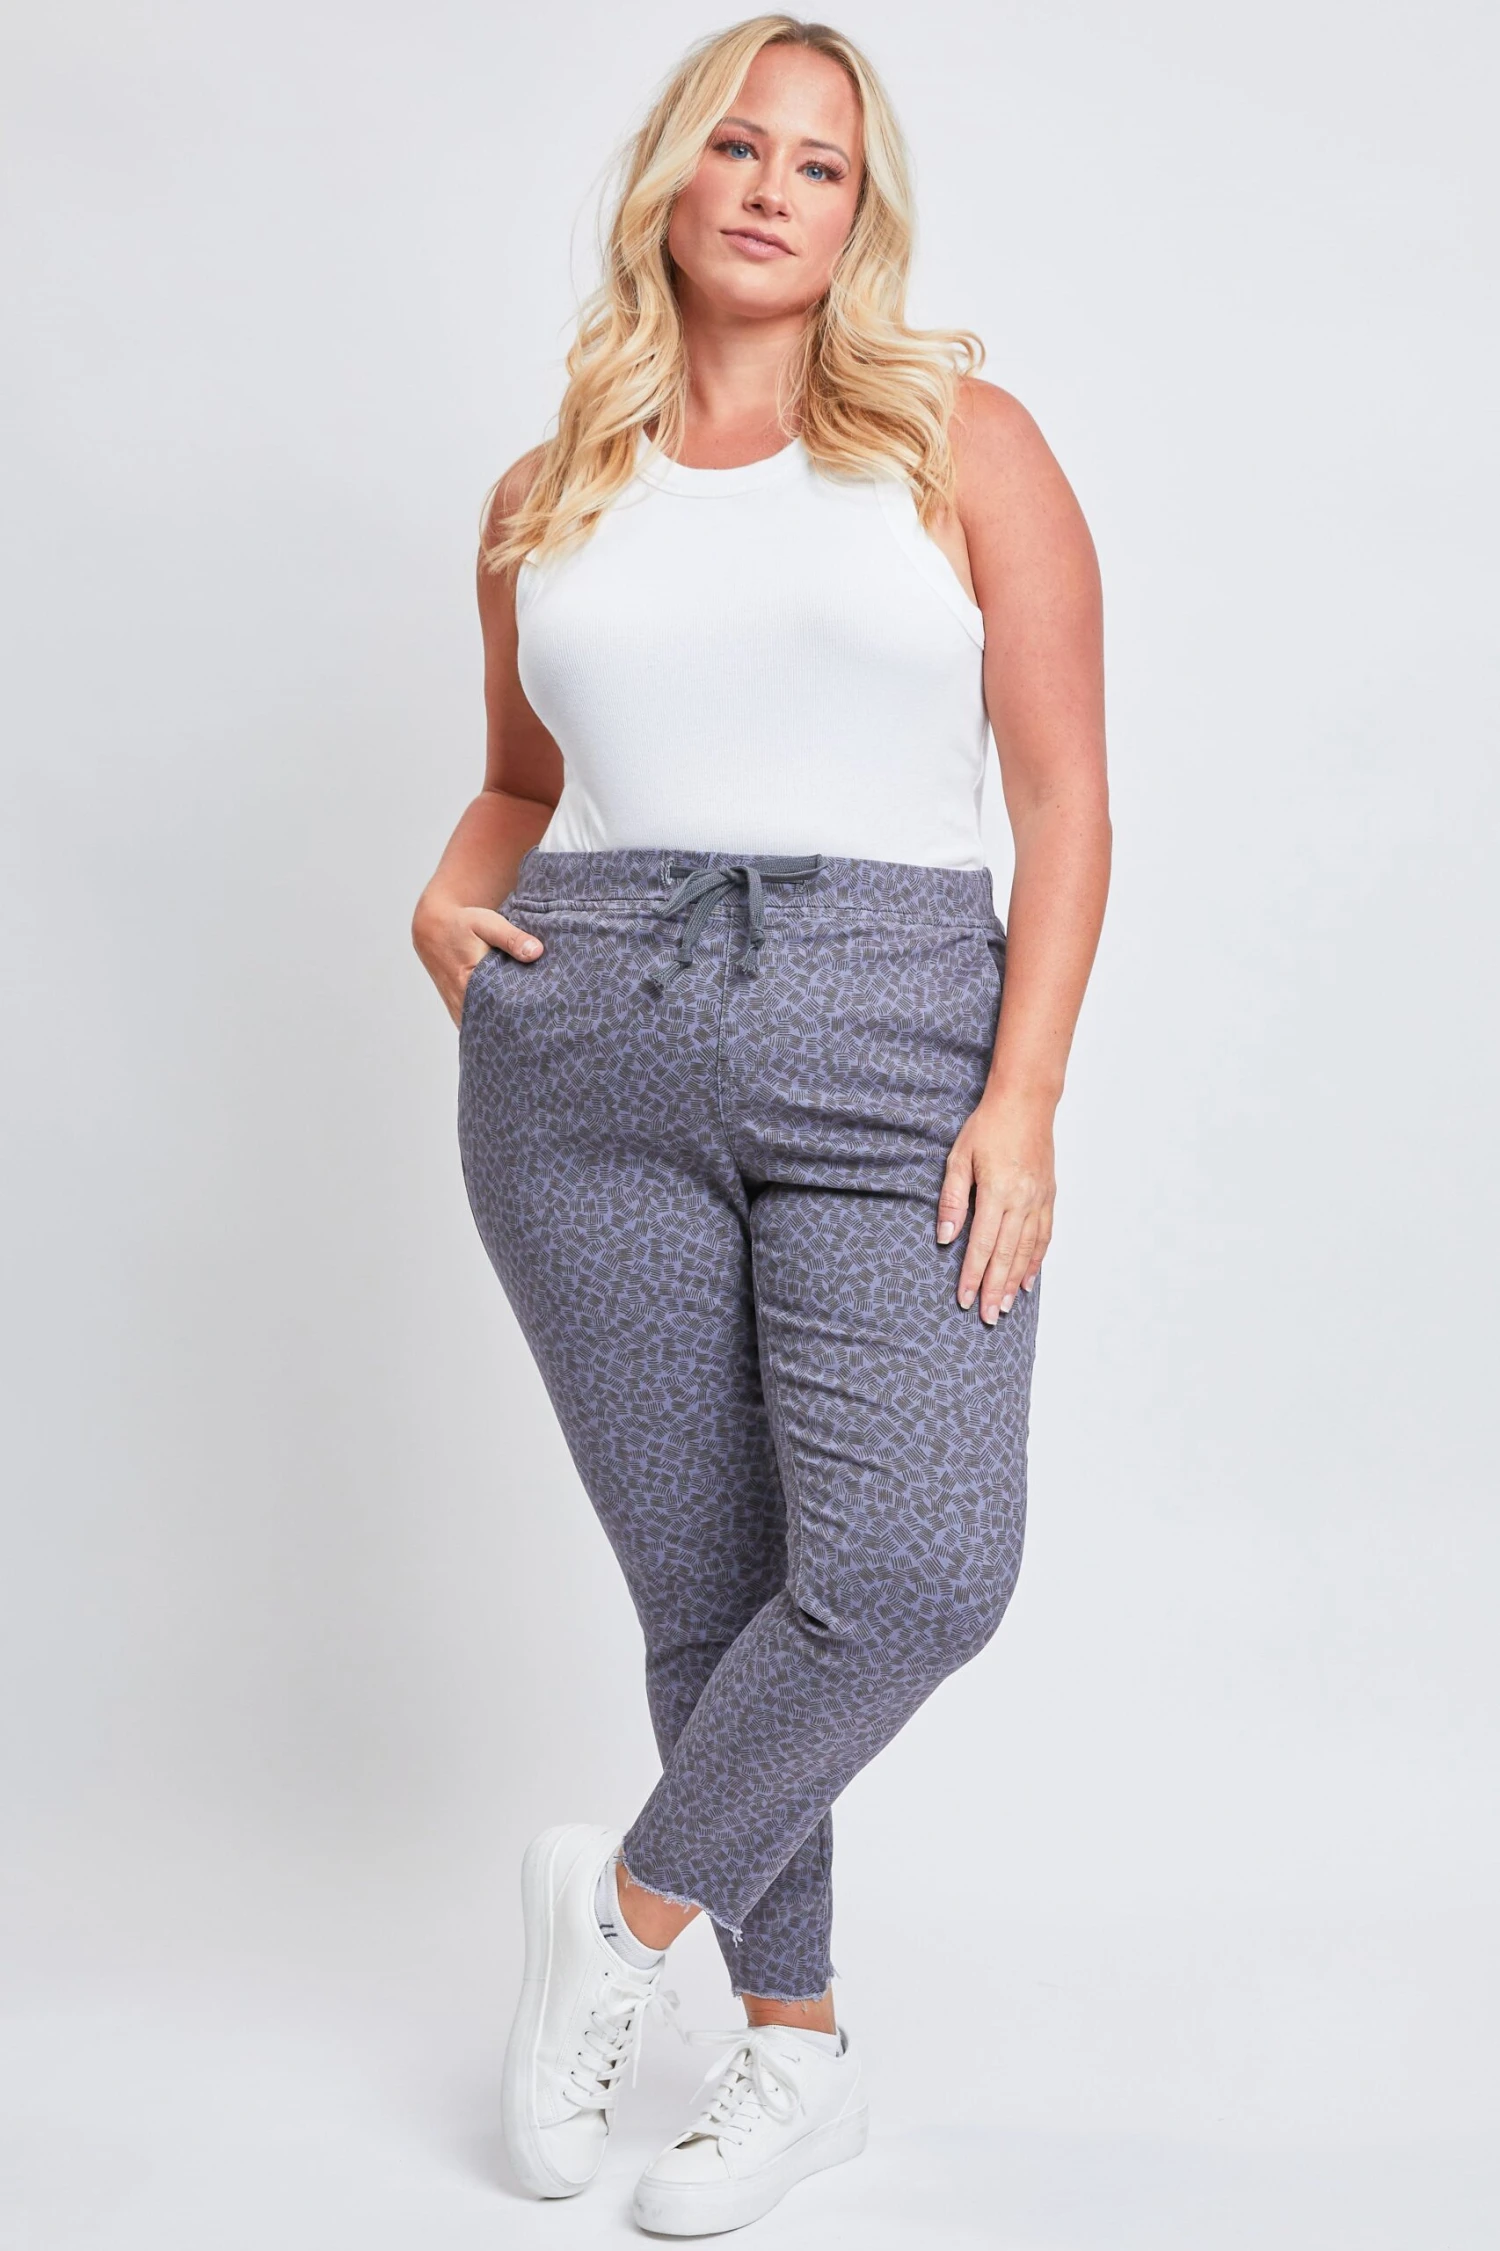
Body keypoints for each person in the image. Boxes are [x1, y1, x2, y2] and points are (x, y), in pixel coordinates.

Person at [412, 13, 1109, 2235]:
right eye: (739, 144)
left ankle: (615, 1914)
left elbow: (1064, 794)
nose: (772, 188)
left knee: (914, 1571)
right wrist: (446, 894)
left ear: (857, 212)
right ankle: (793, 2051)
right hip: (585, 1050)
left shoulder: (960, 442)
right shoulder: (552, 487)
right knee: (710, 1594)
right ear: (671, 177)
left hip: (892, 1034)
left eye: (821, 163)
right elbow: (520, 782)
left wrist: (1024, 1091)